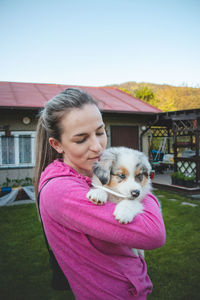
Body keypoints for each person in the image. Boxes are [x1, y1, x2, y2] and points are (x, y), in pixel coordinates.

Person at [34, 88, 166, 300]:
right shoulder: (61, 191)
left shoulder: (91, 172)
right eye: (81, 139)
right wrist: (140, 179)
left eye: (100, 132)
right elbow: (153, 233)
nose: (97, 147)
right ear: (57, 144)